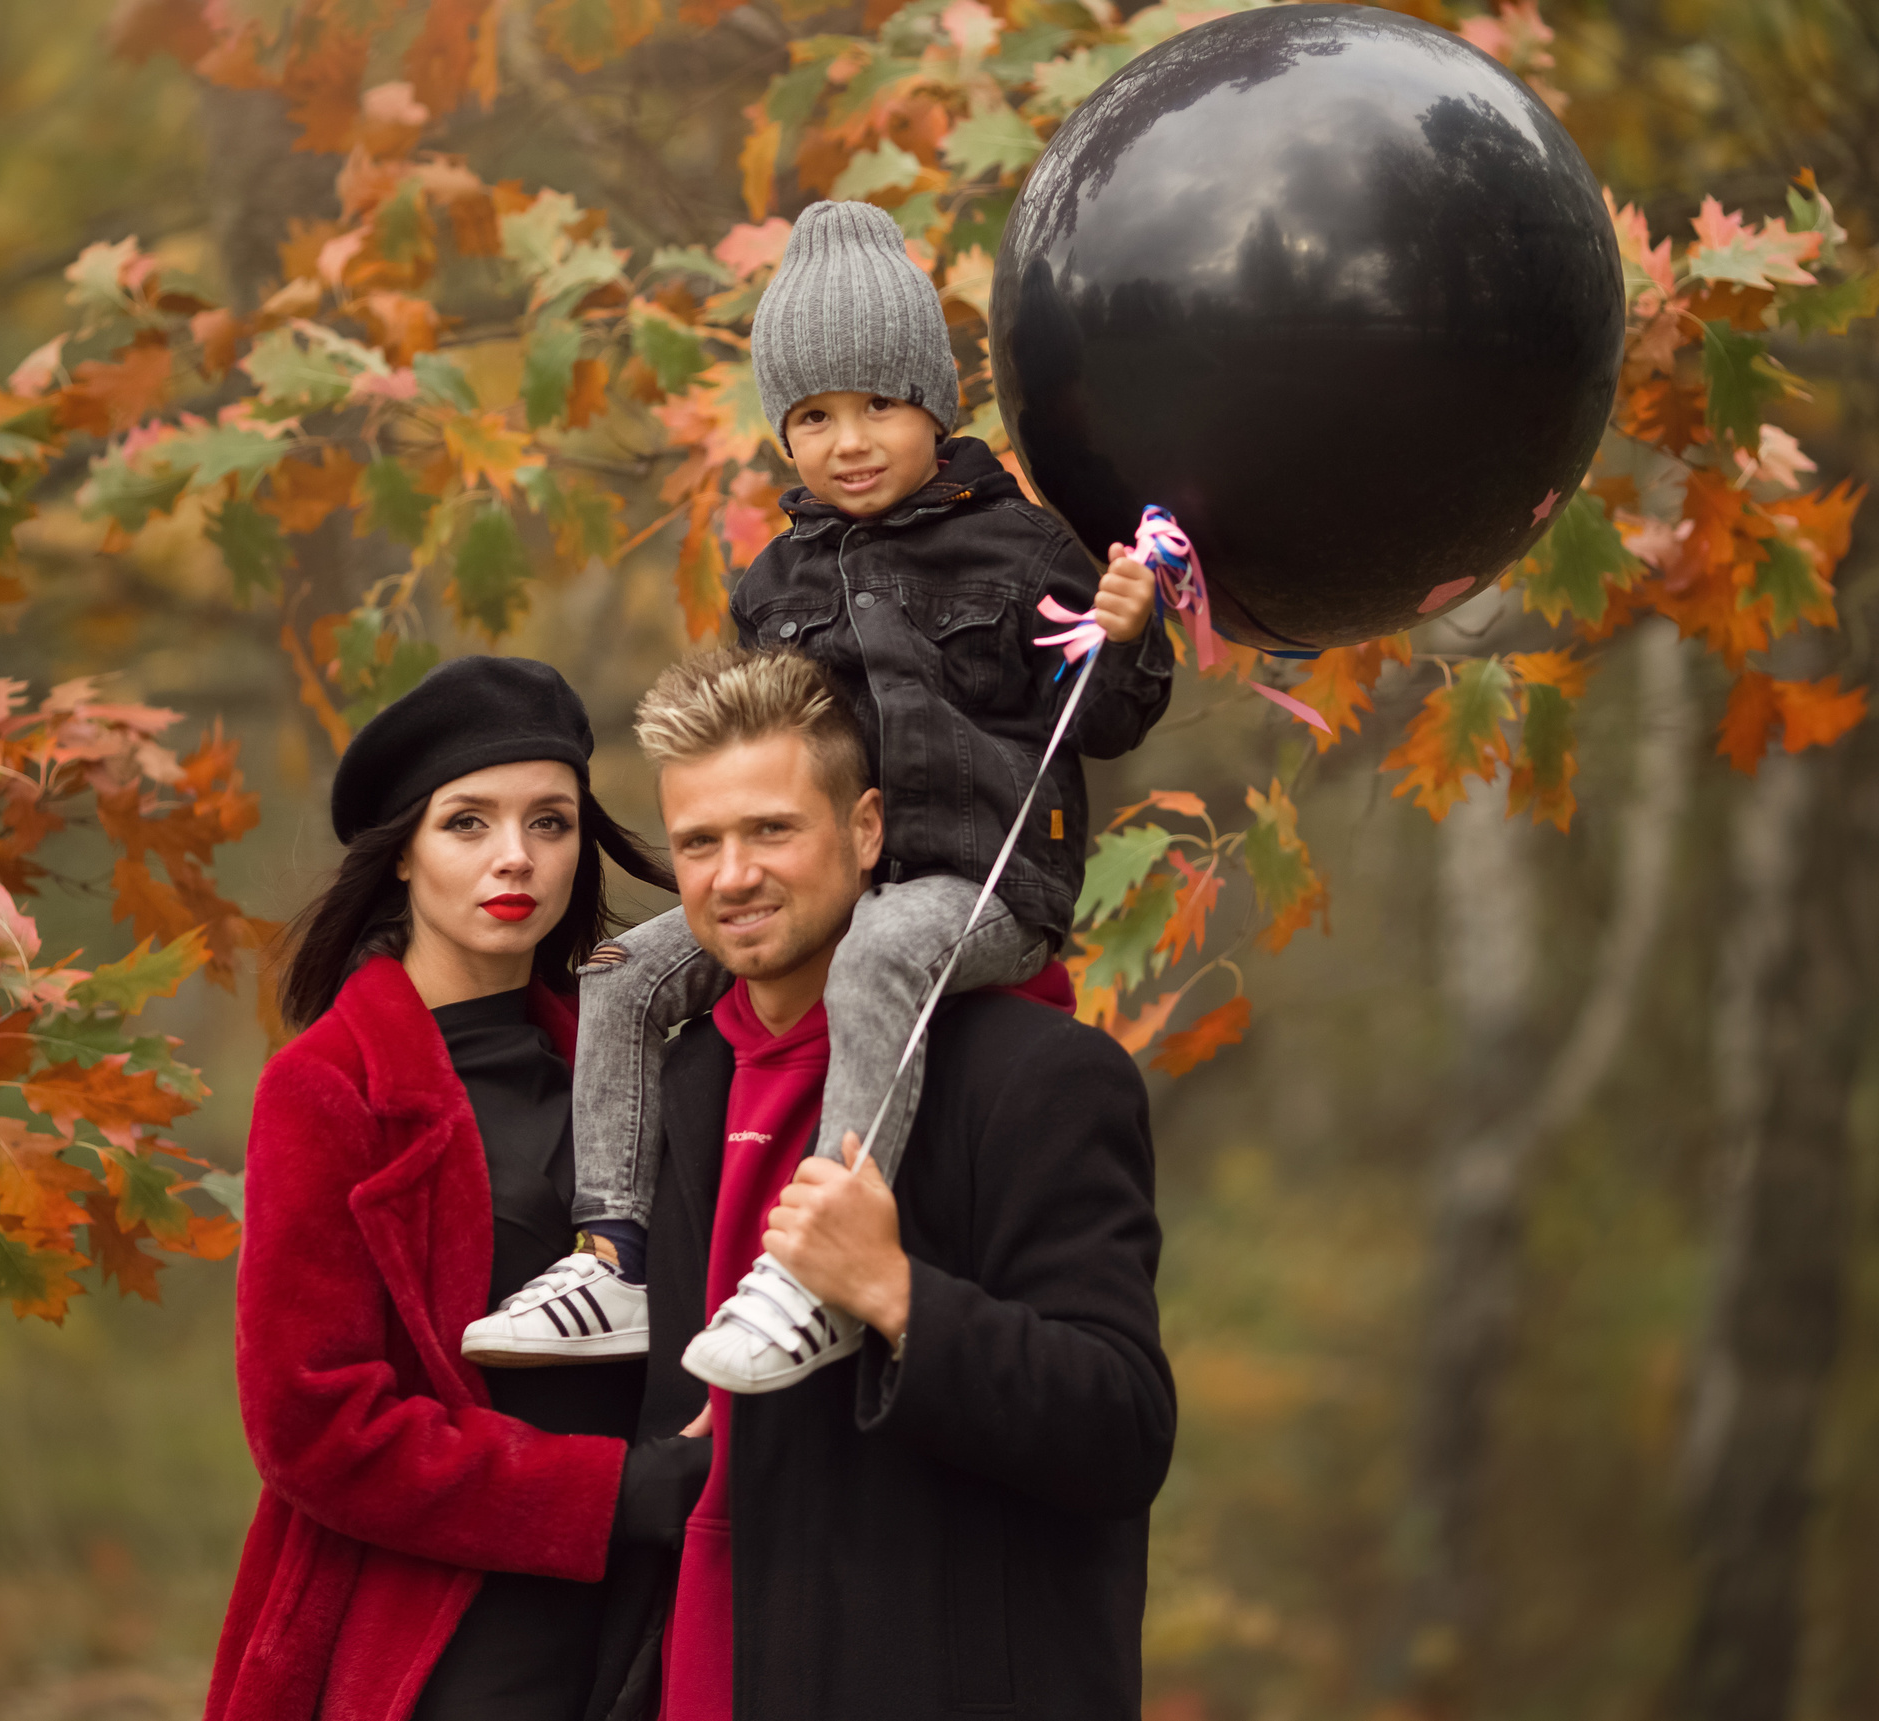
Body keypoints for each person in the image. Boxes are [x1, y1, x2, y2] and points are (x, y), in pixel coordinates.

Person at [464, 198, 1178, 1394]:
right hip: (828, 874)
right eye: (812, 416)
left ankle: (813, 1269)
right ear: (781, 433)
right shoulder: (774, 581)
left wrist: (1125, 639)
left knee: (879, 952)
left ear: (932, 404)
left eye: (877, 406)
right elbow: (754, 744)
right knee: (623, 973)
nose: (848, 440)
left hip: (977, 879)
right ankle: (613, 1254)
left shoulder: (1020, 549)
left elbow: (1104, 722)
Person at [589, 647, 1175, 1721]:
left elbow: (1122, 1426)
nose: (733, 874)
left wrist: (896, 1292)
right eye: (699, 843)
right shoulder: (681, 1082)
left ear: (865, 832)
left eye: (771, 829)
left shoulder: (1033, 1076)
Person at [203, 656, 711, 1721]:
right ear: (402, 855)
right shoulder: (328, 1088)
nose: (515, 856)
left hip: (657, 1610)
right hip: (441, 1629)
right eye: (467, 823)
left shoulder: (636, 1066)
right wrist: (611, 1493)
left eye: (550, 821)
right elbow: (313, 1423)